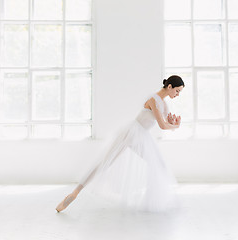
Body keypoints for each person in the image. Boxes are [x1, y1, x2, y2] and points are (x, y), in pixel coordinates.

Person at [56, 75, 185, 213]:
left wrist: (173, 123)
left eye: (179, 92)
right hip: (131, 133)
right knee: (106, 161)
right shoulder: (154, 99)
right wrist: (175, 126)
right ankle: (75, 192)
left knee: (158, 164)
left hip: (141, 136)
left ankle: (157, 200)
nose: (177, 95)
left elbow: (166, 123)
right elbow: (162, 125)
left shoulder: (164, 104)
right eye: (177, 91)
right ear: (169, 86)